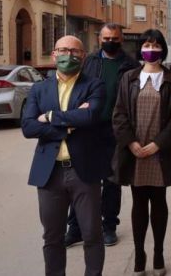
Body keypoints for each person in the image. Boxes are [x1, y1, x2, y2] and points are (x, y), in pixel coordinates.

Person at [21, 35, 107, 276]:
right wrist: (70, 122)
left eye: (74, 51)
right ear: (54, 55)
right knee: (52, 237)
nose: (68, 55)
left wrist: (49, 117)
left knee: (91, 233)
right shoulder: (39, 89)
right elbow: (28, 127)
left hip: (84, 171)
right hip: (50, 173)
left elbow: (90, 117)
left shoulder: (94, 85)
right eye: (62, 50)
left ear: (83, 56)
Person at [112, 29, 171, 275]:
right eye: (146, 44)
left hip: (159, 152)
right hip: (135, 153)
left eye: (155, 45)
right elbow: (119, 113)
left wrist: (157, 144)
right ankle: (139, 254)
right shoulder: (129, 78)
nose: (151, 49)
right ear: (140, 49)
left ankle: (158, 253)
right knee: (138, 204)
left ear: (162, 49)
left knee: (159, 202)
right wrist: (131, 143)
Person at [65, 23, 140, 248]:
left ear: (121, 39)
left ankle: (109, 226)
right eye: (107, 37)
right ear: (100, 39)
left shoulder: (131, 65)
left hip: (115, 130)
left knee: (111, 181)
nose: (110, 41)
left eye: (115, 38)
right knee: (83, 180)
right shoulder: (89, 62)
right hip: (88, 129)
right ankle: (75, 228)